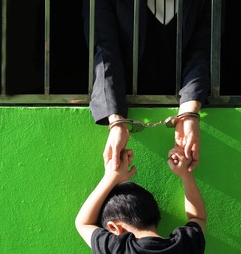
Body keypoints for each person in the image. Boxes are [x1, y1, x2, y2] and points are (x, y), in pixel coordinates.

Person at [82, 0, 212, 172]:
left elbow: (203, 51)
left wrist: (189, 114)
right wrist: (116, 121)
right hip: (127, 93)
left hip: (183, 92)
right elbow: (105, 50)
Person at [75, 148, 206, 254]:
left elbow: (83, 223)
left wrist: (111, 176)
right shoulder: (186, 247)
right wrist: (185, 174)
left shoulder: (118, 252)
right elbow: (198, 218)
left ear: (115, 228)